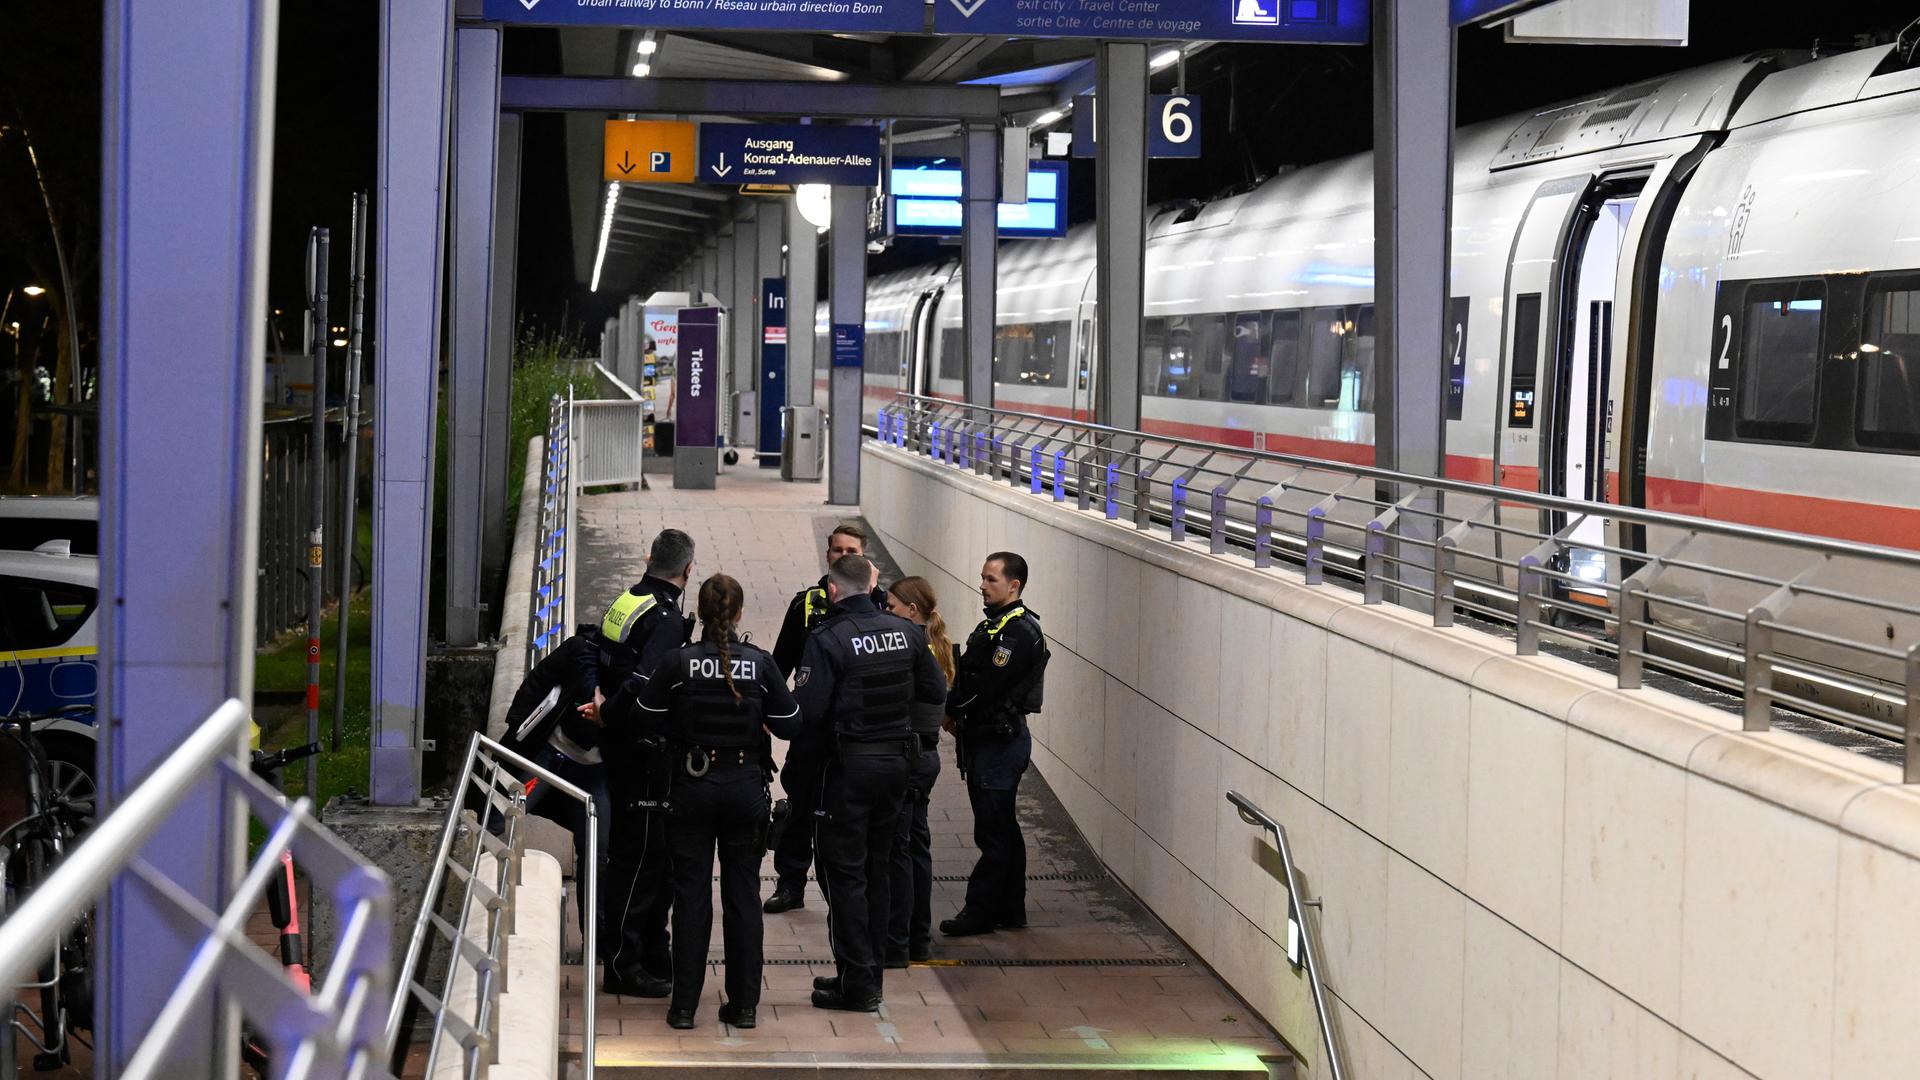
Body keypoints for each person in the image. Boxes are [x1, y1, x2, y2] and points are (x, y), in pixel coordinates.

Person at [631, 574, 801, 1030]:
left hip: (691, 787)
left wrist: (680, 729)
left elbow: (642, 716)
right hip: (746, 787)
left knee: (690, 897)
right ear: (739, 614)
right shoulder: (760, 664)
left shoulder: (677, 662)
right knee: (744, 896)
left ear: (701, 614)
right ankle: (744, 1005)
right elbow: (789, 724)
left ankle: (684, 1006)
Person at [791, 555, 947, 1011]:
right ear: (871, 587)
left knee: (845, 876)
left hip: (848, 773)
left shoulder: (827, 638)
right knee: (878, 869)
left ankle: (857, 981)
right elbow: (935, 692)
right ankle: (869, 973)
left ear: (834, 591)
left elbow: (809, 714)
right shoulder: (908, 632)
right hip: (896, 768)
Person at [580, 529, 697, 997]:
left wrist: (601, 707)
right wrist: (609, 713)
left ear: (649, 559)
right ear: (687, 571)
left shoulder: (627, 599)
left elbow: (601, 655)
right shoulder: (665, 618)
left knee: (640, 855)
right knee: (644, 859)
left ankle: (650, 952)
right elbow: (645, 682)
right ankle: (625, 963)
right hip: (644, 750)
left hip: (620, 748)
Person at [764, 523, 888, 914]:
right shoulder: (806, 604)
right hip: (811, 728)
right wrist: (771, 713)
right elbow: (779, 663)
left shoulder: (881, 603)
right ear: (827, 553)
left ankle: (848, 890)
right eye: (837, 550)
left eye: (851, 550)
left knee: (848, 816)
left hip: (856, 732)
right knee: (799, 806)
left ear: (865, 557)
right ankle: (790, 883)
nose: (843, 557)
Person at [940, 552, 1049, 938]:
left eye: (990, 579)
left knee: (992, 831)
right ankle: (1009, 907)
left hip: (1000, 744)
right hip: (988, 740)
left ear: (1013, 585)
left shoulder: (1018, 632)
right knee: (1002, 827)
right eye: (983, 578)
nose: (982, 585)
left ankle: (980, 911)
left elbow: (986, 689)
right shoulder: (996, 627)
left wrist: (948, 709)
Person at [497, 621, 607, 942]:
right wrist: (519, 724)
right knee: (507, 813)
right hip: (549, 760)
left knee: (597, 848)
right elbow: (538, 679)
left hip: (594, 774)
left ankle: (596, 937)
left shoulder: (642, 670)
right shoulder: (580, 649)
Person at [883, 577, 953, 967]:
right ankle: (917, 934)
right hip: (924, 756)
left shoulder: (913, 649)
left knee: (900, 849)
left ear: (912, 611)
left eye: (891, 607)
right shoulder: (935, 645)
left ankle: (901, 939)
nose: (886, 614)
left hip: (910, 758)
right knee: (916, 845)